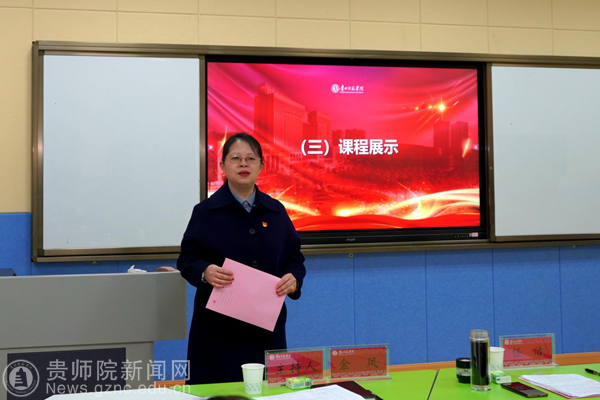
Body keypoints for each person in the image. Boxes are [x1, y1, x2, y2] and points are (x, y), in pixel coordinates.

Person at [177, 133, 306, 385]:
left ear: (261, 165)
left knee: (269, 392)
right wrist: (205, 271)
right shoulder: (206, 212)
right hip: (217, 329)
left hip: (266, 328)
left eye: (251, 158)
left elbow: (294, 256)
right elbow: (187, 259)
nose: (243, 164)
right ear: (223, 166)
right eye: (235, 158)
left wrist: (294, 278)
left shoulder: (275, 211)